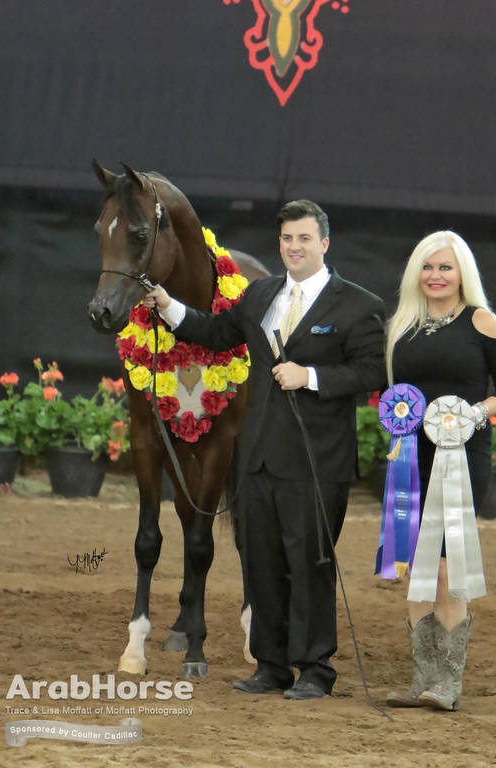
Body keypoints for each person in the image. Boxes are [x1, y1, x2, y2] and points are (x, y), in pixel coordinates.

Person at [143, 200, 385, 700]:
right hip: (257, 459)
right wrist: (167, 305)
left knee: (310, 565)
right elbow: (214, 334)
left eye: (303, 239)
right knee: (261, 563)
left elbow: (372, 373)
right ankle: (271, 665)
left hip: (317, 464)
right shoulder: (261, 295)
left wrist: (311, 376)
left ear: (324, 243)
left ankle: (316, 669)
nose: (294, 248)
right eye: (286, 239)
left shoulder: (358, 305)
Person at [384, 230, 496, 711]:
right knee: (415, 567)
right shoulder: (404, 324)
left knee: (445, 565)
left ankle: (449, 682)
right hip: (411, 458)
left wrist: (473, 415)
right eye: (427, 266)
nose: (435, 275)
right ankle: (422, 679)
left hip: (462, 457)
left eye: (445, 267)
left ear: (463, 272)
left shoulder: (482, 320)